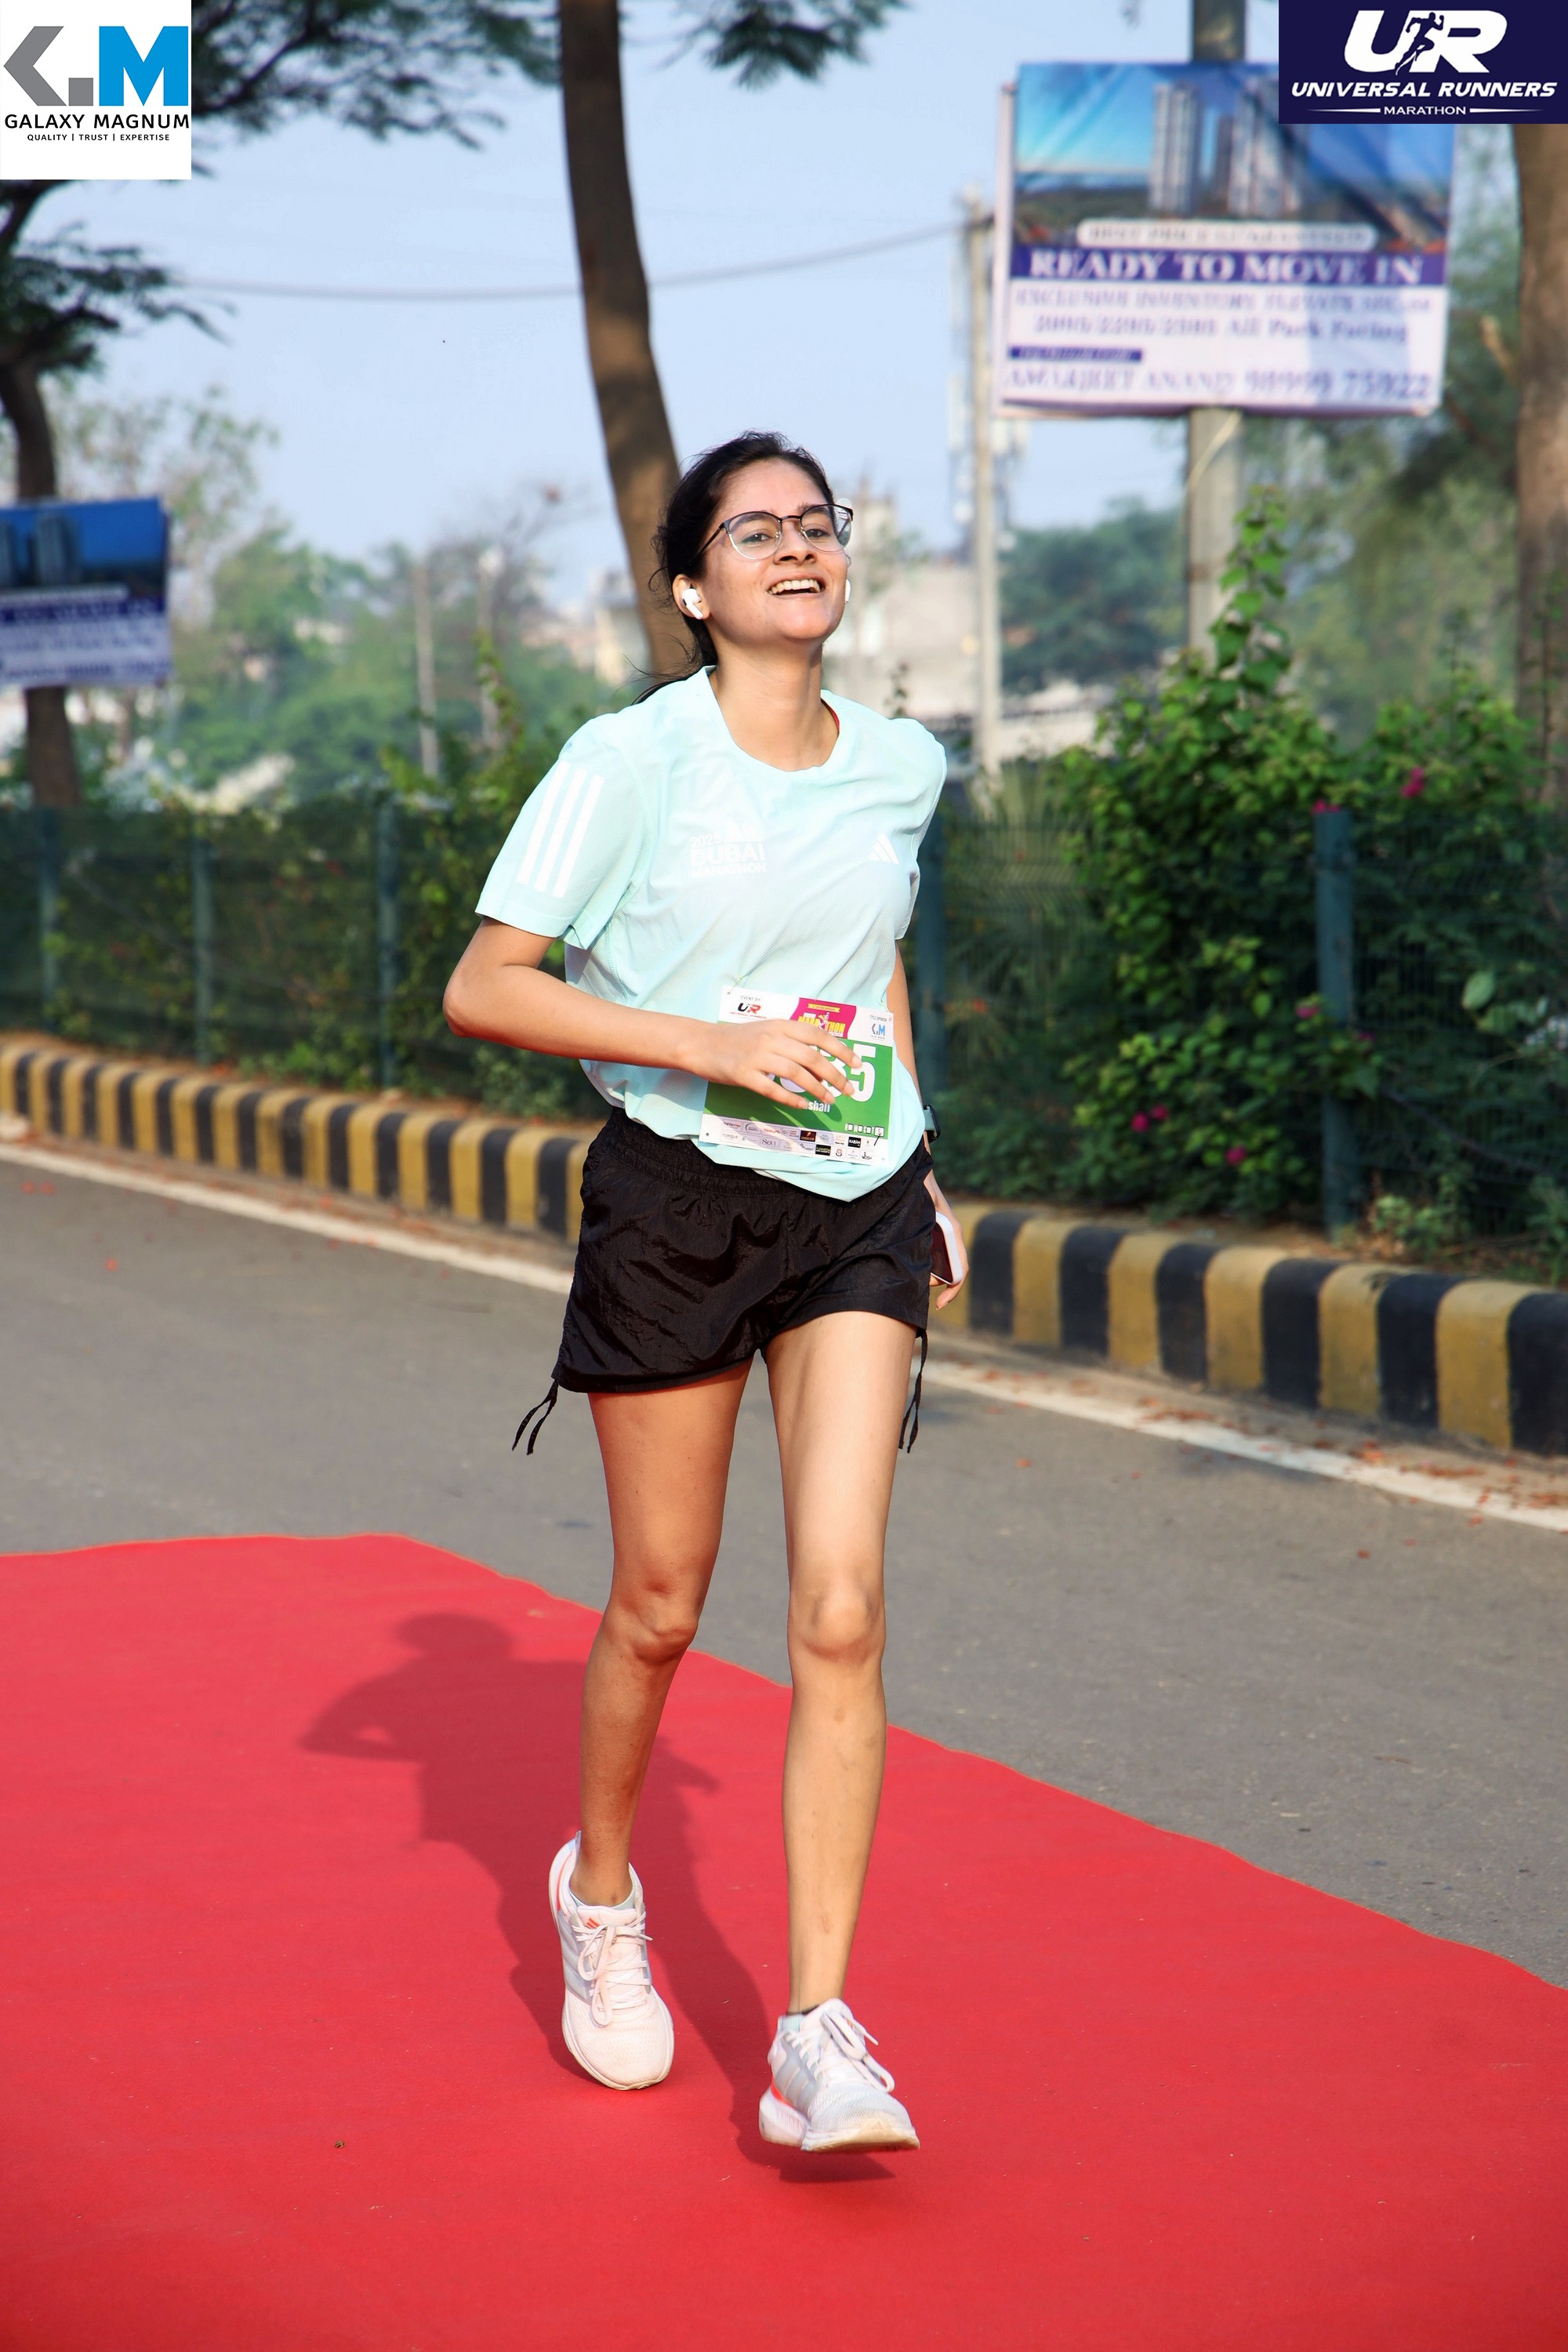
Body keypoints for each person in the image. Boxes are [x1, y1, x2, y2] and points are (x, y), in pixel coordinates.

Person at [443, 430, 968, 2154]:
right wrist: (704, 1046)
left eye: (818, 523)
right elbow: (488, 986)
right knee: (663, 1605)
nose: (799, 548)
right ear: (691, 585)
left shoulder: (899, 765)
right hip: (675, 1197)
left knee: (841, 1607)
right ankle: (600, 1894)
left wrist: (917, 1147)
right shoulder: (628, 765)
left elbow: (872, 957)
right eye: (756, 532)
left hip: (853, 1203)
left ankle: (818, 2032)